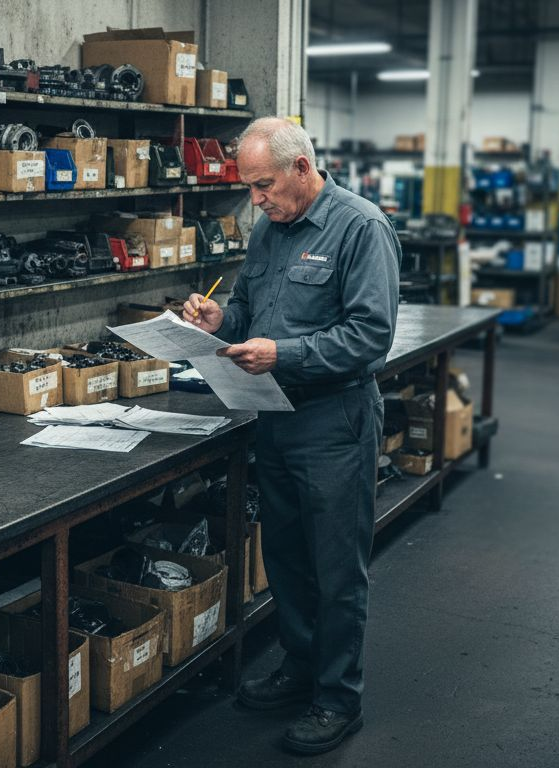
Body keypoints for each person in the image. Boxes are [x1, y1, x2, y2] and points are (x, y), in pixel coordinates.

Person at [182, 117, 400, 755]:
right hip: (273, 416)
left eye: (263, 185)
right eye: (250, 188)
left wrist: (286, 353)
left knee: (336, 569)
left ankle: (338, 697)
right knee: (286, 559)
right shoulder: (269, 230)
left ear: (302, 168)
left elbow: (369, 337)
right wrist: (224, 319)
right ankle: (301, 666)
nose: (256, 200)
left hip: (335, 421)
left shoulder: (360, 229)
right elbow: (250, 309)